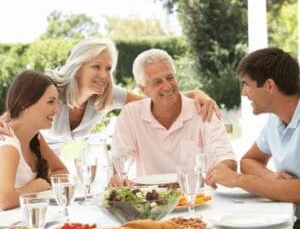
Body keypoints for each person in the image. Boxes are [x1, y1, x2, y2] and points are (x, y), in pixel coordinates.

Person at [0, 38, 220, 158]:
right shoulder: (50, 87)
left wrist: (195, 95)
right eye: (96, 67)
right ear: (78, 67)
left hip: (54, 166)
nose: (104, 75)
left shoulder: (106, 96)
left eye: (108, 68)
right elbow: (14, 114)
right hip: (23, 159)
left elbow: (153, 99)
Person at [110, 49, 236, 186]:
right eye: (157, 82)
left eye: (170, 77)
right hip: (150, 201)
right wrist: (118, 179)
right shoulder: (131, 114)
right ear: (143, 89)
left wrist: (220, 172)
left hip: (196, 198)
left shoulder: (203, 110)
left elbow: (227, 160)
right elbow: (118, 164)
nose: (167, 86)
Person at [206, 47, 300, 203]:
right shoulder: (275, 120)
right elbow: (248, 161)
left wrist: (238, 180)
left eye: (246, 84)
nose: (243, 93)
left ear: (270, 86)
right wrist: (270, 176)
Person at [0, 70, 68, 210]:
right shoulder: (8, 144)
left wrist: (43, 182)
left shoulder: (35, 137)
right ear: (26, 104)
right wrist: (36, 186)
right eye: (50, 102)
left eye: (57, 102)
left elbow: (61, 171)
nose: (57, 110)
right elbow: (4, 200)